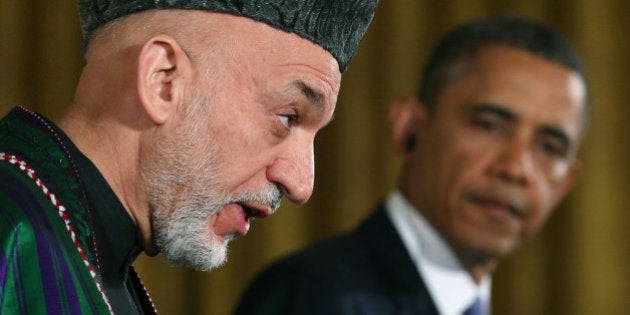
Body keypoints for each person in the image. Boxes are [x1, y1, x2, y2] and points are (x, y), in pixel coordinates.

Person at [0, 0, 378, 313]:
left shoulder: (85, 255)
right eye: (287, 116)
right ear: (163, 81)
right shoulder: (14, 238)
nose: (302, 184)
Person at [234, 15, 590, 315]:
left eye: (549, 147)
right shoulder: (314, 297)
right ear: (410, 128)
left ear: (565, 185)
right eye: (489, 124)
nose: (516, 168)